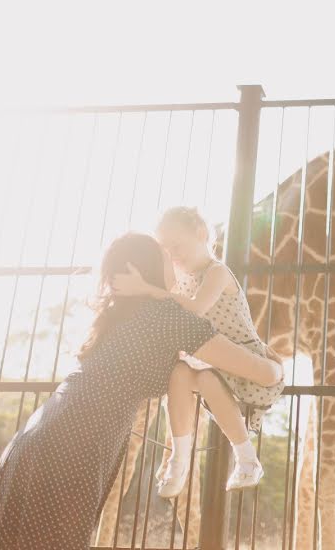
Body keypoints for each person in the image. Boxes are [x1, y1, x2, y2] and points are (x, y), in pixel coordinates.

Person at [0, 232, 276, 550]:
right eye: (165, 254)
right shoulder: (168, 316)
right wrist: (275, 366)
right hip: (77, 444)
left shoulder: (122, 312)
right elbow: (259, 371)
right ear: (151, 268)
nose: (174, 259)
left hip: (43, 434)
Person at [112, 206, 284, 494]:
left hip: (244, 364)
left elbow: (196, 310)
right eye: (166, 250)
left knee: (203, 377)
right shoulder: (179, 281)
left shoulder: (217, 272)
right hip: (213, 367)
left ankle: (247, 459)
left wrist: (145, 288)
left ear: (201, 234)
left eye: (177, 245)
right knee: (179, 374)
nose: (172, 254)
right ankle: (178, 461)